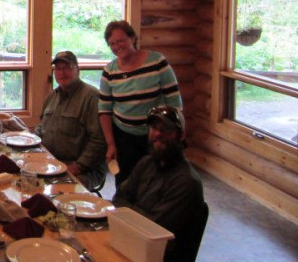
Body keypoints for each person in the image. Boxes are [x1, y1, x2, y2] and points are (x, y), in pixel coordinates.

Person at [112, 105, 206, 262]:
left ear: (181, 135)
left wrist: (127, 212)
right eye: (154, 128)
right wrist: (131, 214)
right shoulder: (146, 163)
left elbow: (152, 229)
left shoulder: (186, 182)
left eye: (166, 129)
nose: (157, 134)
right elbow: (119, 197)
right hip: (132, 244)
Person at [99, 20, 182, 184]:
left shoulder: (157, 62)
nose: (117, 46)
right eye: (112, 44)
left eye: (120, 40)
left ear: (132, 38)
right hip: (124, 137)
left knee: (155, 181)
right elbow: (104, 110)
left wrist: (168, 134)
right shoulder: (109, 71)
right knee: (125, 183)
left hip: (156, 136)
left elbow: (174, 102)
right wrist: (111, 144)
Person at [34, 51, 107, 191]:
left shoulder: (92, 97)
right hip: (51, 163)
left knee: (57, 192)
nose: (62, 73)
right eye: (58, 69)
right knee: (23, 180)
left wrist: (78, 166)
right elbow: (41, 127)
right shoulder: (51, 97)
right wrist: (32, 144)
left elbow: (99, 141)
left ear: (77, 70)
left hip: (83, 169)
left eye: (67, 68)